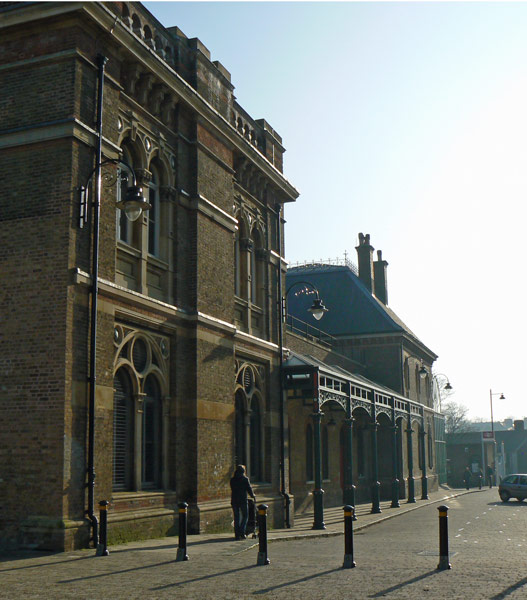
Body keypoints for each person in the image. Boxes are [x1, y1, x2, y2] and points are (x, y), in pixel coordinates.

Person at [230, 465, 255, 540]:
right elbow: (249, 489)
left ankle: (237, 534)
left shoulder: (232, 480)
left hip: (234, 500)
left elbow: (233, 488)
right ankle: (242, 531)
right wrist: (253, 495)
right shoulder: (245, 479)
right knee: (245, 516)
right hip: (243, 500)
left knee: (236, 517)